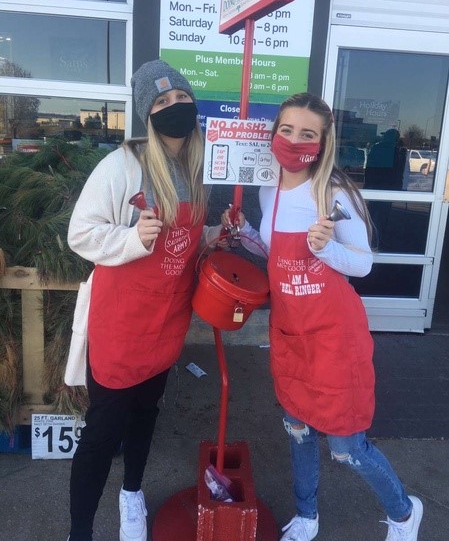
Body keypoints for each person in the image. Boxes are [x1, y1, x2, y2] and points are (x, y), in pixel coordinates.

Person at [222, 93, 423, 541]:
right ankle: (307, 515)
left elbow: (363, 263)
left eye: (307, 134)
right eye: (287, 130)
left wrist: (325, 248)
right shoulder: (267, 188)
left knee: (347, 448)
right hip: (292, 333)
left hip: (334, 337)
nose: (294, 141)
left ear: (322, 143)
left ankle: (405, 512)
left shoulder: (334, 193)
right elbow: (275, 255)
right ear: (274, 133)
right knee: (298, 432)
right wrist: (245, 233)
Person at [65, 60, 222, 541]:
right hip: (121, 324)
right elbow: (81, 235)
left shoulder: (198, 166)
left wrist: (218, 234)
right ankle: (80, 532)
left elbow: (186, 242)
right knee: (101, 434)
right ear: (145, 115)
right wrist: (133, 238)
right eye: (160, 103)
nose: (173, 108)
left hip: (166, 321)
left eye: (179, 98)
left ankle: (132, 493)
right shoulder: (121, 166)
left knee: (147, 412)